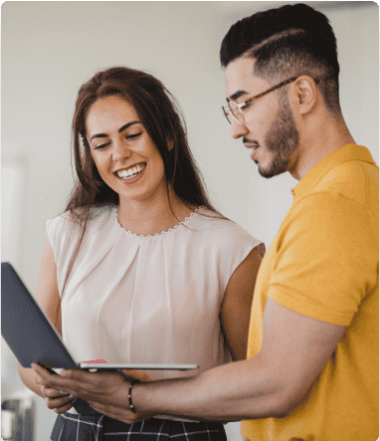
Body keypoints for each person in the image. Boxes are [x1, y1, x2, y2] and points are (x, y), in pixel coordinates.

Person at [33, 4, 379, 441]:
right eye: (100, 143)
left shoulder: (331, 208)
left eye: (244, 103)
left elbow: (275, 382)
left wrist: (134, 397)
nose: (237, 129)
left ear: (303, 94)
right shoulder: (344, 193)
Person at [20, 66, 265, 440]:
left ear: (167, 134)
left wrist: (146, 398)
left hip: (181, 434)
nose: (120, 154)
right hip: (78, 429)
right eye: (102, 144)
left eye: (133, 134)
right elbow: (30, 360)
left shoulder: (229, 248)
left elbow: (257, 384)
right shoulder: (67, 233)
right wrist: (46, 384)